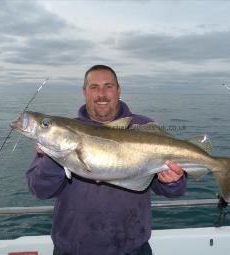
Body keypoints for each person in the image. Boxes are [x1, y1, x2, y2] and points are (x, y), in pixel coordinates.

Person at [26, 65, 187, 255]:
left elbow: (173, 190)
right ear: (84, 92)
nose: (101, 94)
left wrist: (172, 181)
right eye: (94, 87)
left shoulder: (143, 127)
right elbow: (40, 190)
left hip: (132, 248)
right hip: (72, 248)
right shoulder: (61, 132)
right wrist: (55, 156)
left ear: (118, 90)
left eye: (108, 86)